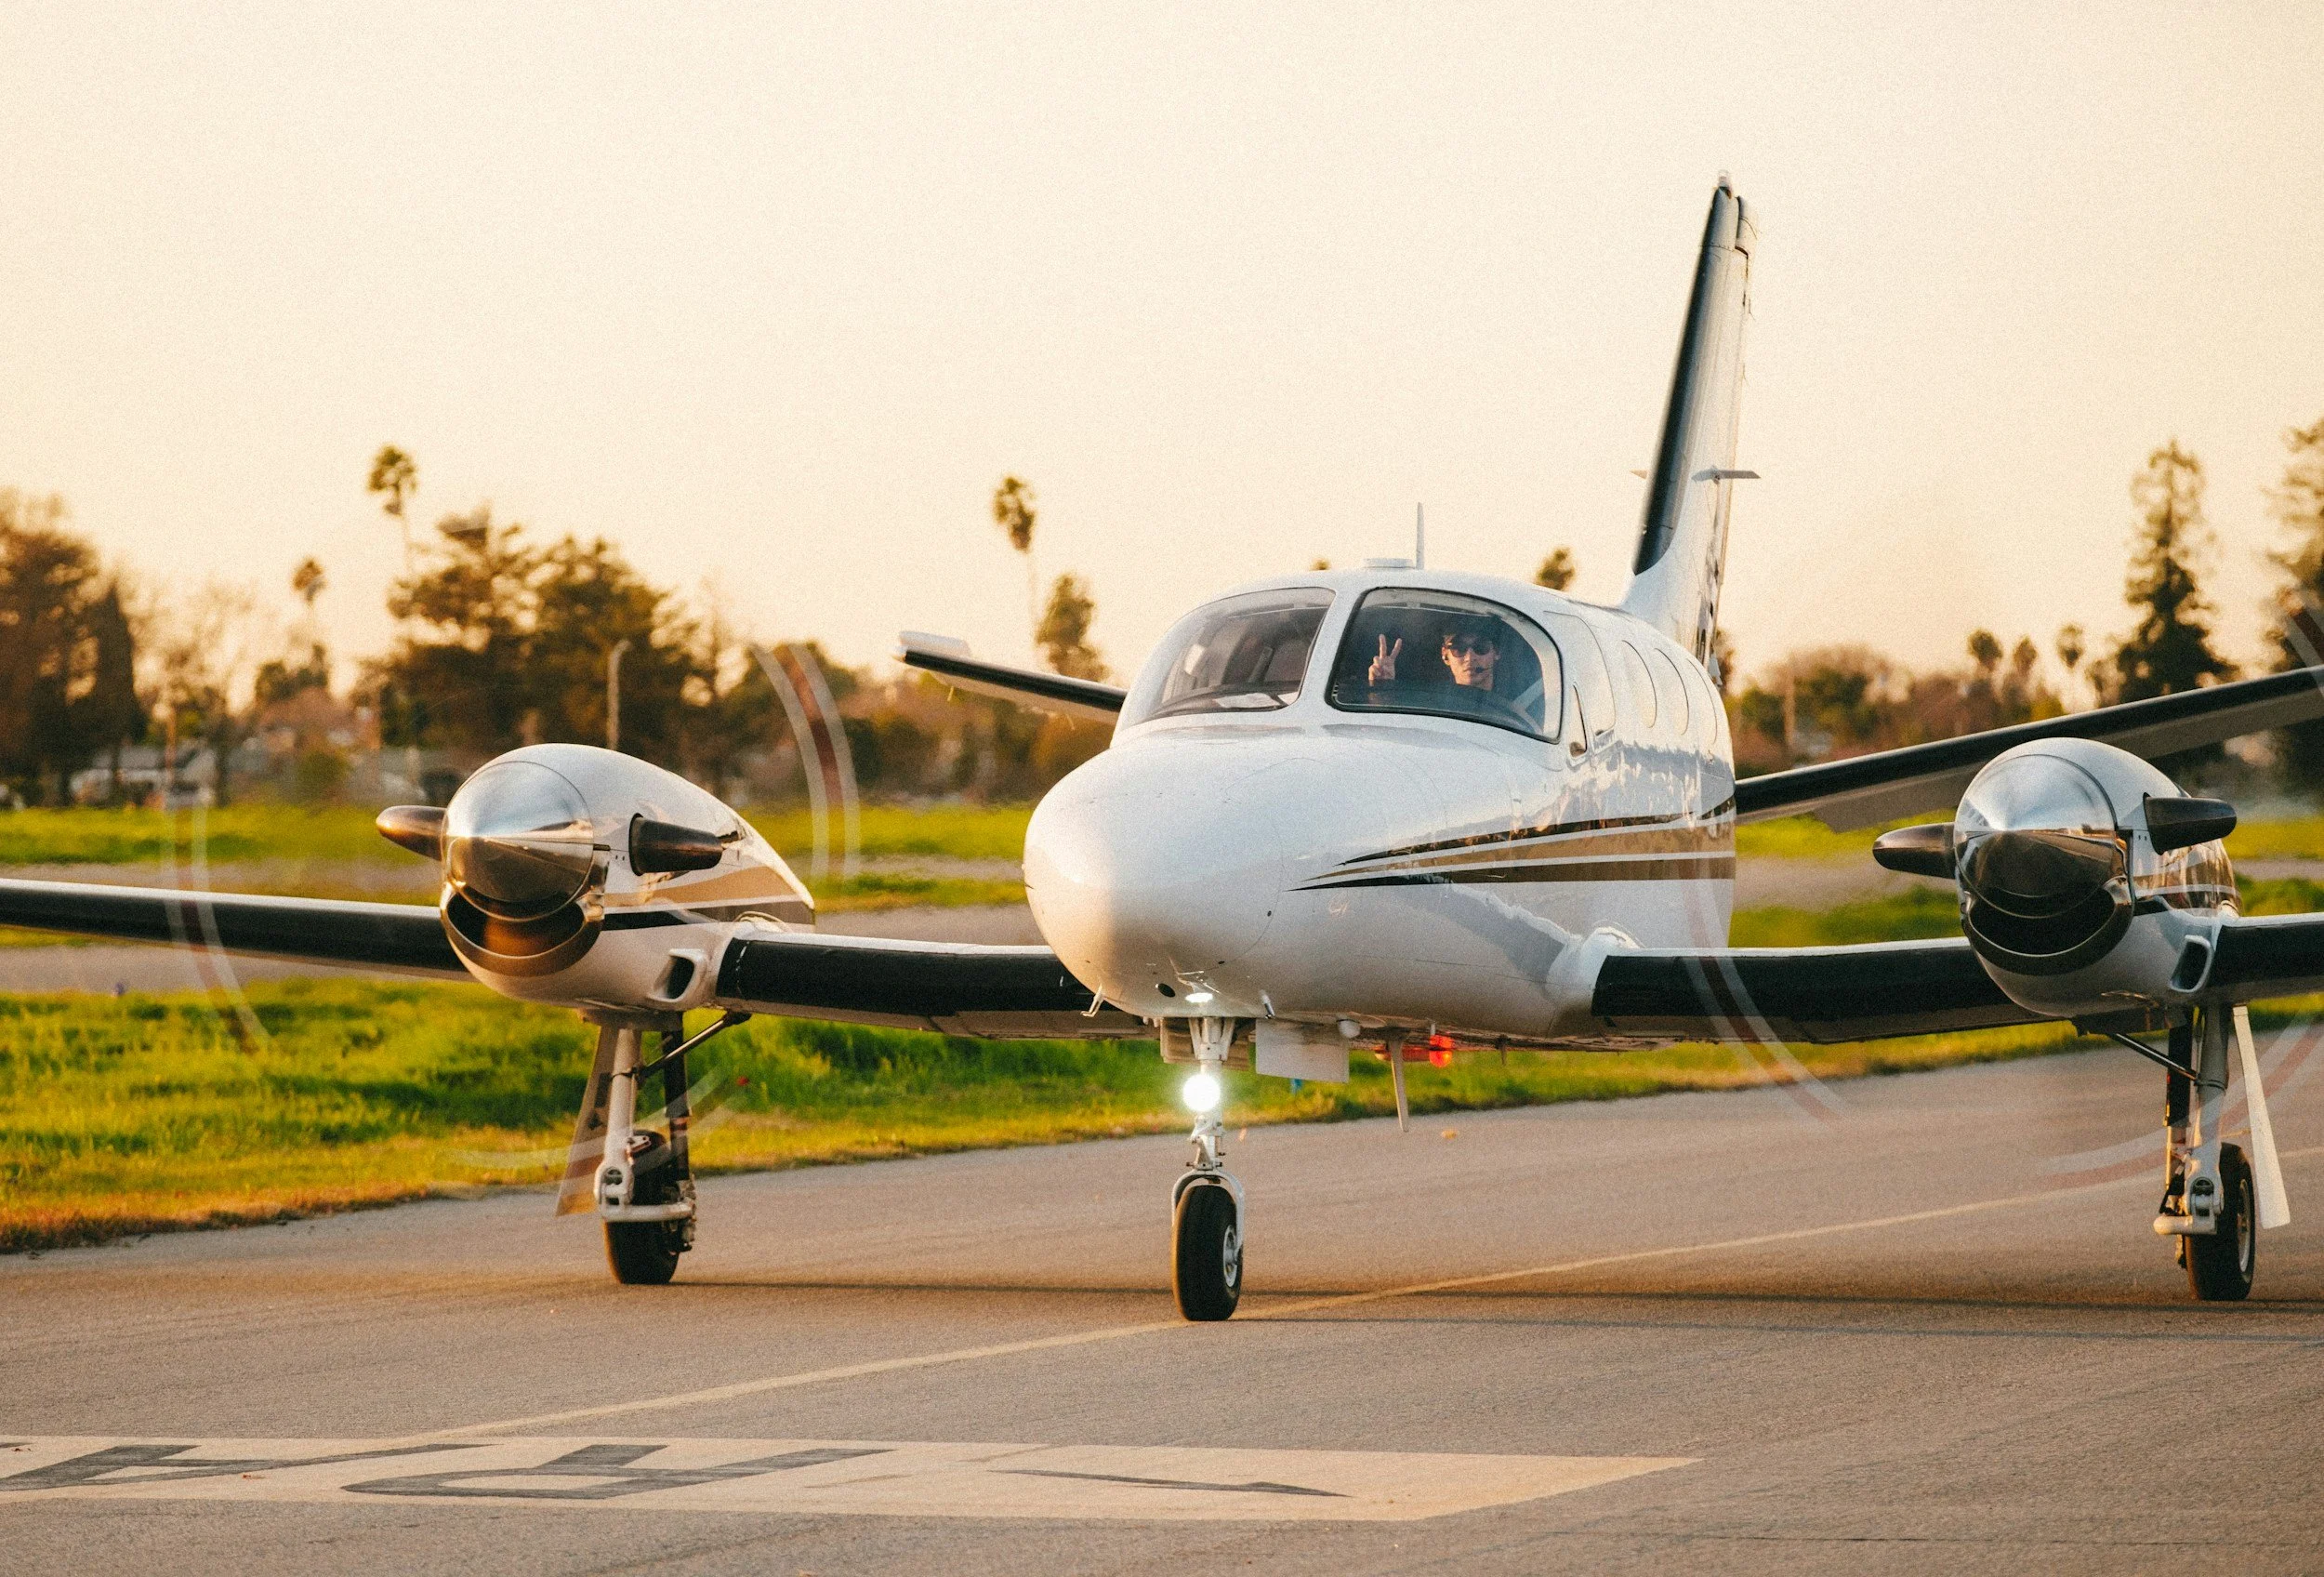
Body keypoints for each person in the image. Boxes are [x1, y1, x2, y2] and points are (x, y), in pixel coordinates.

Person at [1366, 619, 1500, 693]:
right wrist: (1382, 689)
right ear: (1445, 655)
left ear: (1497, 652)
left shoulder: (1518, 708)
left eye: (1481, 647)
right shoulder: (1432, 705)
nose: (1470, 657)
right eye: (1458, 648)